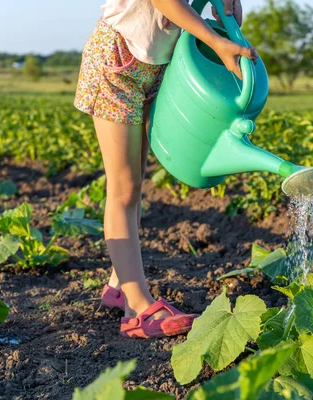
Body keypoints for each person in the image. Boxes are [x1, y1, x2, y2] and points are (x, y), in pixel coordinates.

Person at [73, 0, 257, 339]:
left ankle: (119, 286)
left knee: (135, 184)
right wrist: (214, 41)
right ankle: (137, 308)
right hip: (116, 60)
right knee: (123, 190)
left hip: (152, 68)